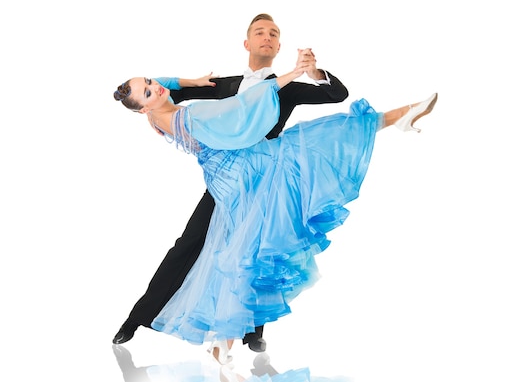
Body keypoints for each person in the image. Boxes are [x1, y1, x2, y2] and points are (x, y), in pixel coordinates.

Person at [112, 66, 438, 363]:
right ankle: (395, 117)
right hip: (248, 172)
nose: (157, 86)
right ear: (144, 107)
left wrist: (187, 83)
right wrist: (291, 73)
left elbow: (164, 85)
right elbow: (240, 108)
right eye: (150, 91)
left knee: (242, 252)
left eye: (151, 81)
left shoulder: (154, 117)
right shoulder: (193, 117)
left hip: (225, 177)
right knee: (310, 146)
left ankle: (222, 342)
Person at [112, 13, 350, 353]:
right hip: (224, 181)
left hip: (265, 180)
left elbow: (337, 95)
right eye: (259, 32)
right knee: (187, 245)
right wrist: (185, 83)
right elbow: (164, 92)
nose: (266, 37)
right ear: (247, 43)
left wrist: (314, 73)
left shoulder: (289, 87)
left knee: (260, 252)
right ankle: (139, 316)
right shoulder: (223, 86)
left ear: (279, 46)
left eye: (273, 34)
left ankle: (254, 330)